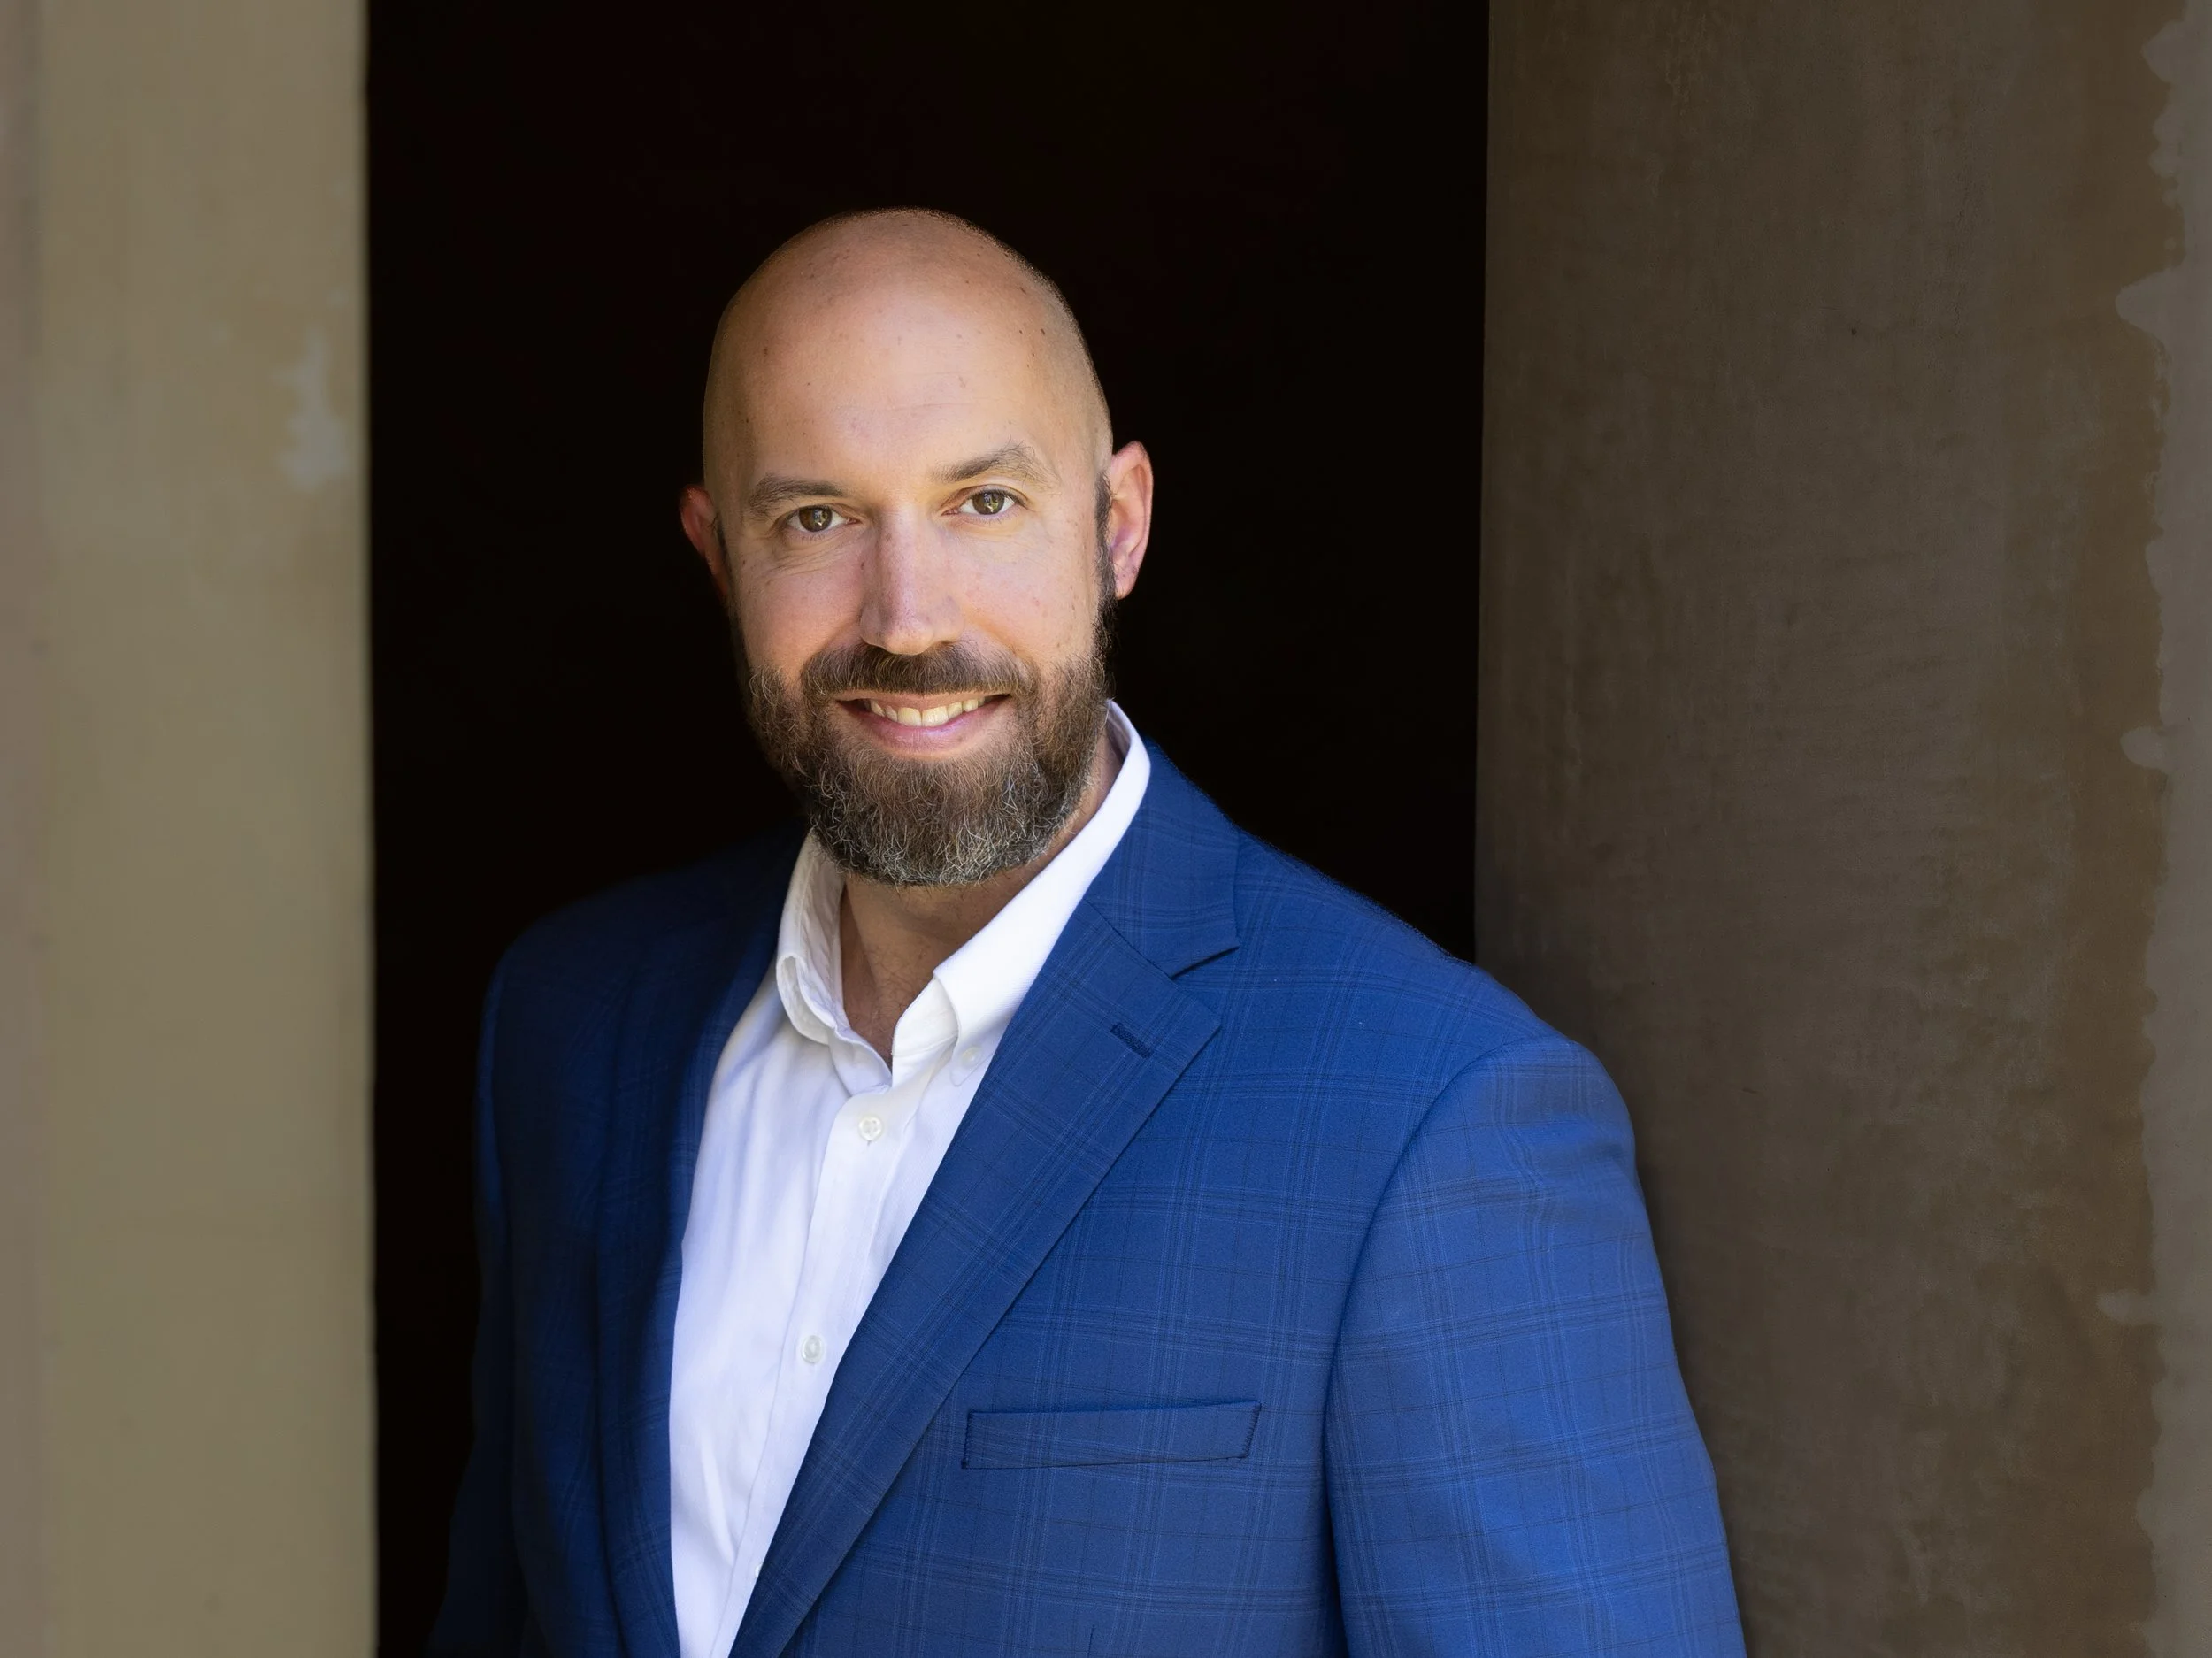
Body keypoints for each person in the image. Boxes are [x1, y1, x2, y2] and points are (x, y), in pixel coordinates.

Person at [427, 208, 1744, 1658]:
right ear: (717, 553)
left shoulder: (1435, 1119)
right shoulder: (571, 1028)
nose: (908, 616)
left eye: (984, 502)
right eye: (818, 518)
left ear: (1119, 527)